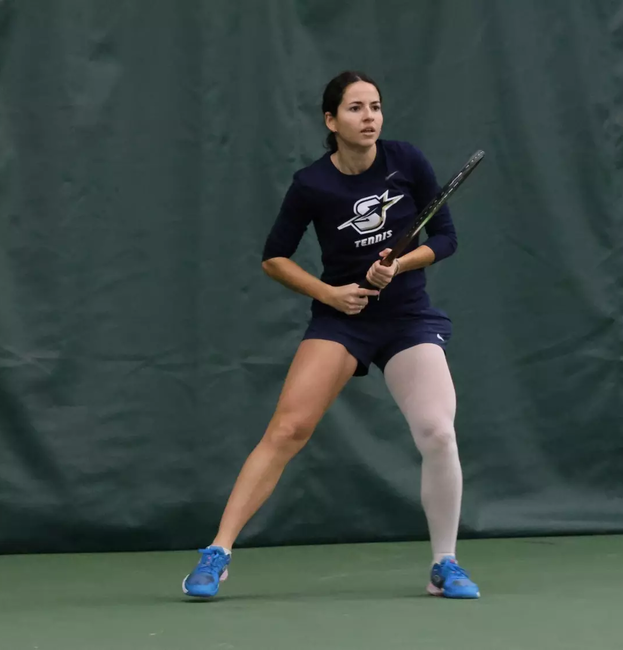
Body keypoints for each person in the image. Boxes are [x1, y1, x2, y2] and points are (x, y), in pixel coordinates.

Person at [181, 70, 480, 600]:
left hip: (408, 319)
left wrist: (402, 264)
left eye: (376, 107)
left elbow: (447, 236)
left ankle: (444, 563)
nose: (369, 118)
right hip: (343, 320)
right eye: (356, 108)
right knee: (288, 430)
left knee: (437, 431)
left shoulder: (405, 161)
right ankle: (217, 555)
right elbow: (274, 258)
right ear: (331, 120)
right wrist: (330, 293)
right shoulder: (312, 185)